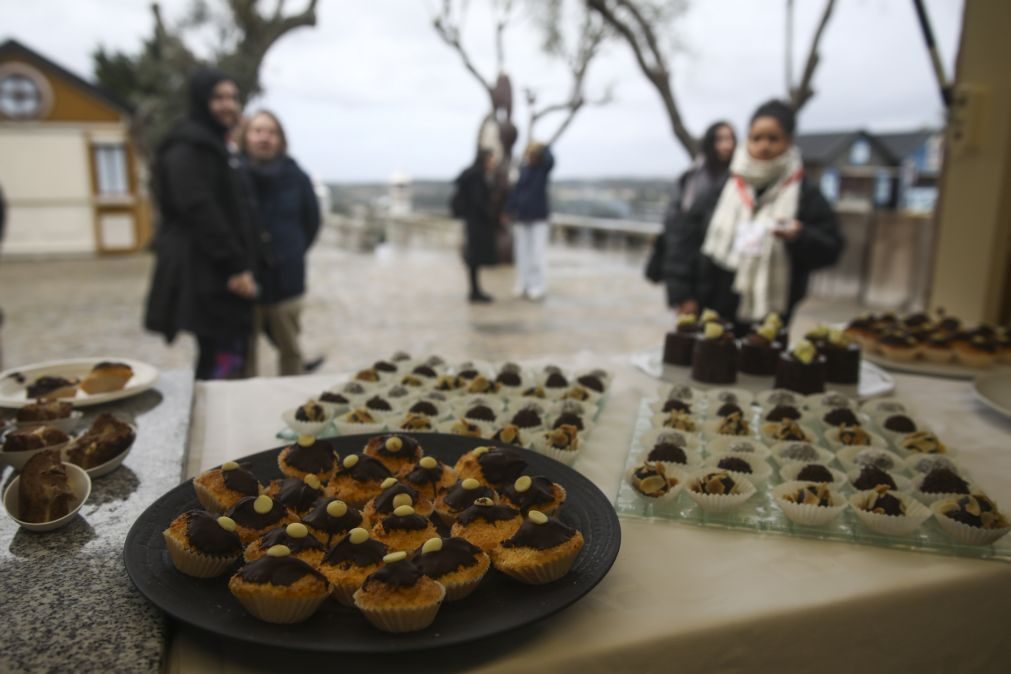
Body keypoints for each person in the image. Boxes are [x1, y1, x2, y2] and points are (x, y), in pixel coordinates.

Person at [663, 100, 843, 328]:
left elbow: (831, 247)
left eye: (773, 138)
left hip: (772, 314)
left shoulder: (805, 193)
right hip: (713, 302)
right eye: (756, 138)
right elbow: (685, 237)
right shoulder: (725, 184)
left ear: (788, 141)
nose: (764, 146)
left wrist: (800, 236)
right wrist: (681, 292)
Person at [144, 68, 260, 380]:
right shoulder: (187, 147)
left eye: (233, 98)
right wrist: (235, 265)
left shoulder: (213, 144)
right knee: (221, 365)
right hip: (209, 274)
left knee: (226, 357)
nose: (229, 105)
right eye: (219, 97)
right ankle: (222, 425)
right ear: (201, 100)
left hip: (217, 273)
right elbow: (199, 209)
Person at [239, 110, 321, 376]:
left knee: (291, 350)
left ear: (281, 139)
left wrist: (291, 251)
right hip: (244, 283)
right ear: (246, 136)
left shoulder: (297, 177)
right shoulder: (233, 174)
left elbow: (312, 222)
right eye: (258, 131)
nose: (265, 138)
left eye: (271, 132)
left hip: (287, 282)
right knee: (243, 355)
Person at [646, 121, 735, 295]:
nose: (727, 145)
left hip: (728, 283)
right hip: (695, 278)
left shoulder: (742, 181)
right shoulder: (692, 180)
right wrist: (681, 291)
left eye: (731, 139)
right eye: (720, 139)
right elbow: (678, 233)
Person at [505, 142, 555, 300]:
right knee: (522, 253)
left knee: (537, 253)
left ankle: (538, 285)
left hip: (538, 217)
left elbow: (550, 160)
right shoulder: (524, 170)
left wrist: (543, 147)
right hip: (522, 216)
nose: (530, 156)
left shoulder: (542, 170)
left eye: (533, 154)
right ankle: (523, 283)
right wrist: (508, 209)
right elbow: (517, 192)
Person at [451, 149, 499, 303]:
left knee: (474, 258)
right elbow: (478, 201)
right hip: (477, 222)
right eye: (491, 160)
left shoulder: (472, 174)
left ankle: (475, 290)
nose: (493, 163)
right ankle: (475, 292)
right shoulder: (477, 176)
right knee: (475, 258)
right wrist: (490, 215)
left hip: (472, 220)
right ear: (485, 160)